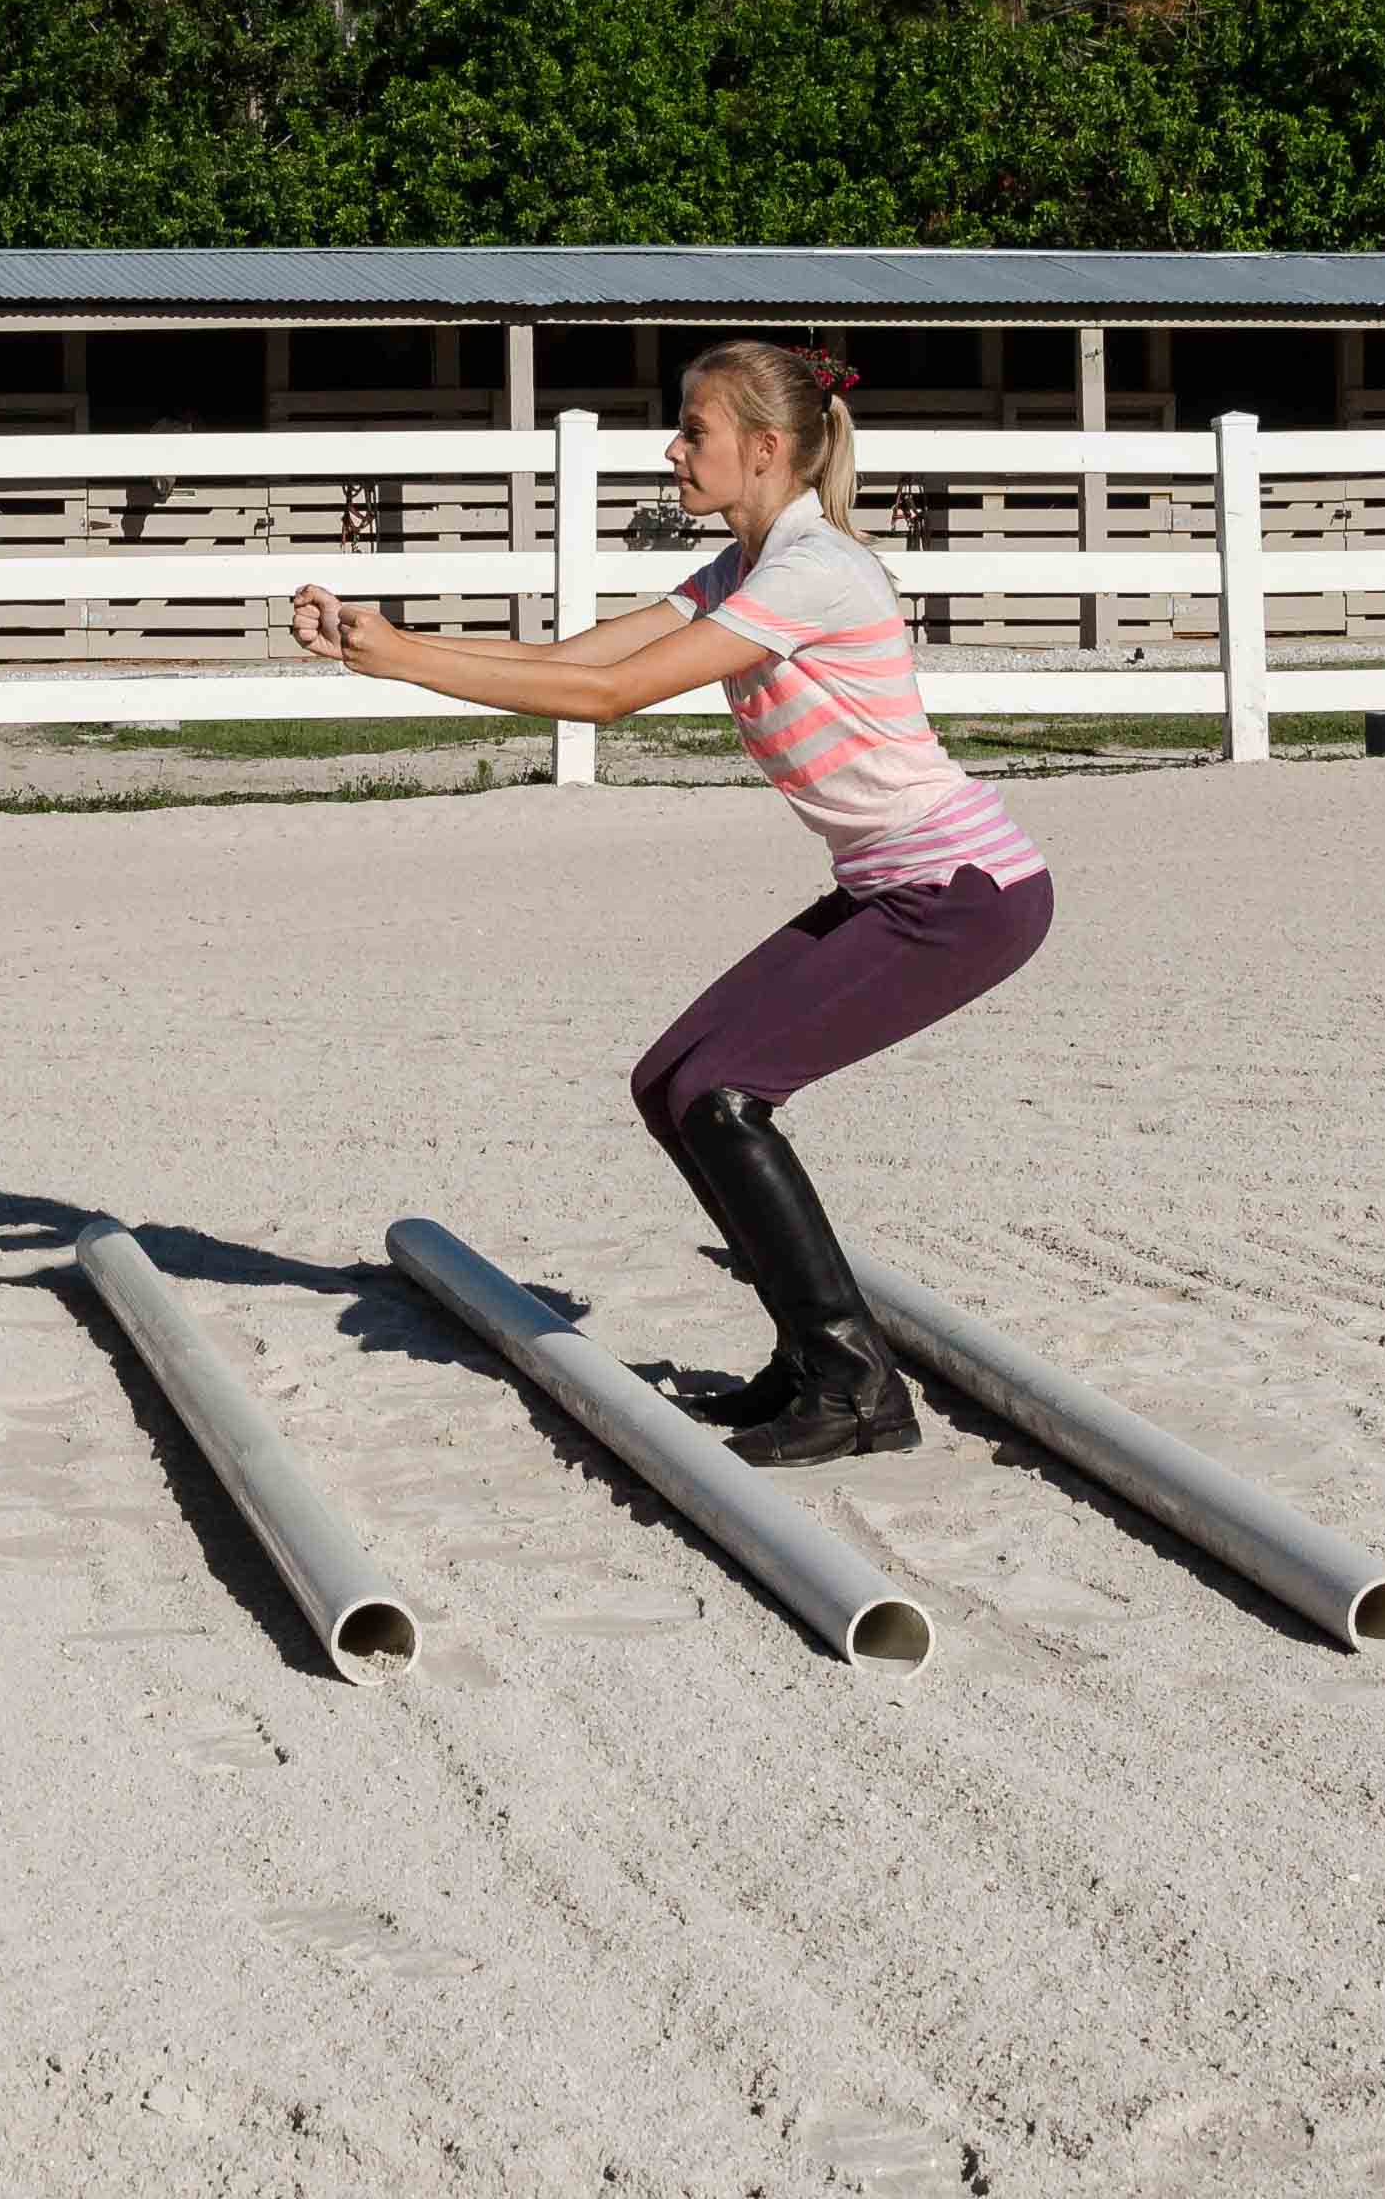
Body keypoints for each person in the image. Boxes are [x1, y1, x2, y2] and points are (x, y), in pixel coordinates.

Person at [289, 340, 1052, 1466]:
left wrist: (407, 661)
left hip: (959, 895)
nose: (671, 447)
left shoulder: (811, 570)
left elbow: (603, 698)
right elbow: (576, 657)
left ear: (764, 448)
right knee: (670, 1084)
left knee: (720, 1091)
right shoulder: (746, 566)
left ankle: (853, 1387)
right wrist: (391, 648)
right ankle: (814, 1361)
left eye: (691, 430)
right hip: (898, 887)